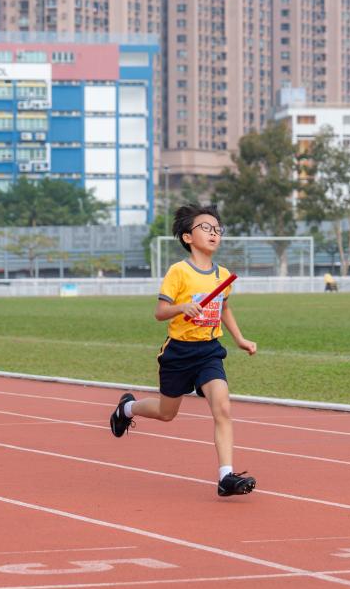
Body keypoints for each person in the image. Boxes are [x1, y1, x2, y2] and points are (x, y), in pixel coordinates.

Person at [108, 205, 258, 497]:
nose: (214, 233)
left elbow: (224, 308)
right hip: (178, 352)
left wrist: (240, 339)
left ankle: (225, 477)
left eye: (217, 229)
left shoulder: (222, 275)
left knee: (222, 407)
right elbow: (160, 312)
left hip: (209, 351)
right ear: (188, 237)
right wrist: (182, 307)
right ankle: (126, 408)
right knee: (167, 413)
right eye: (206, 228)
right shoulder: (179, 271)